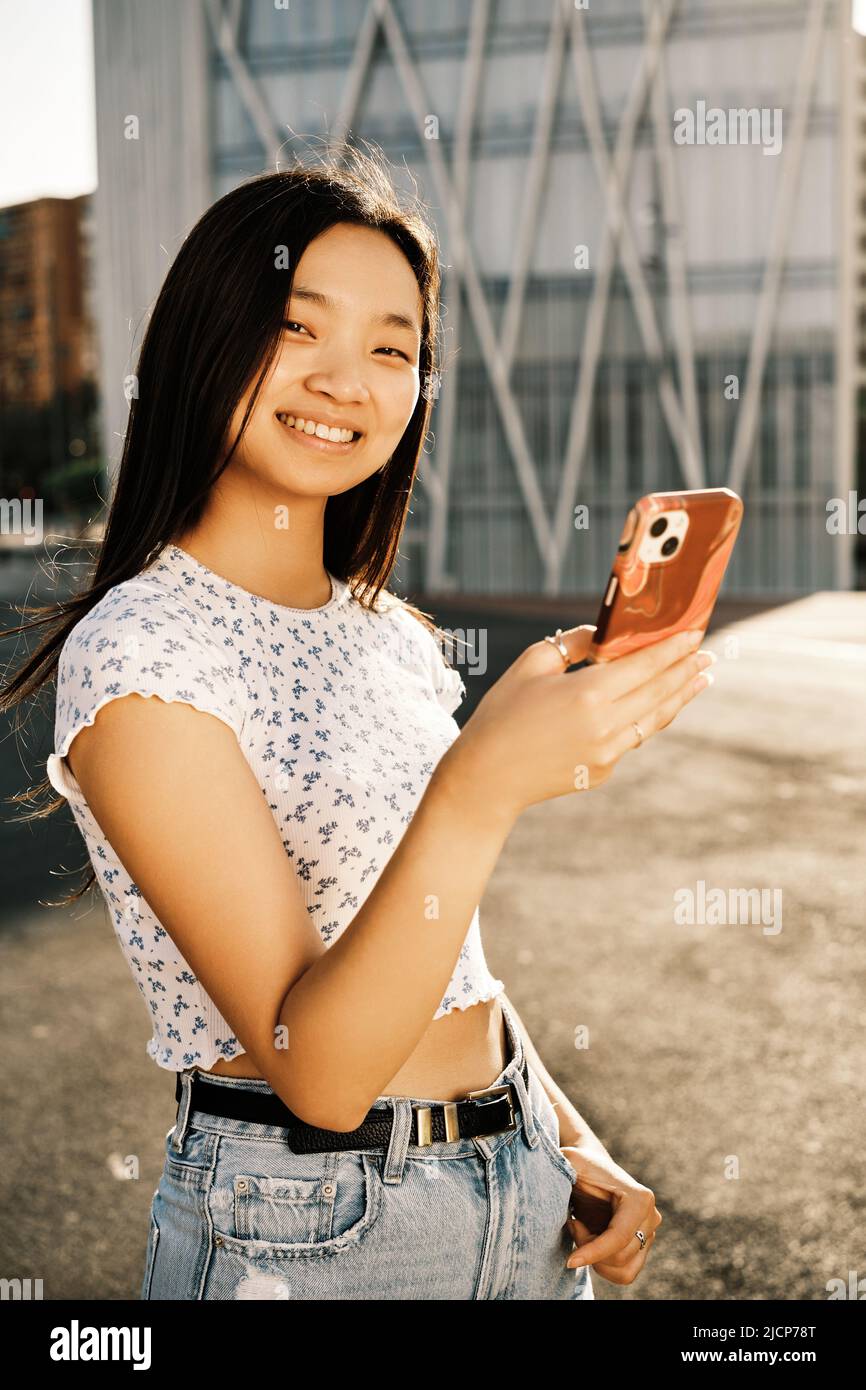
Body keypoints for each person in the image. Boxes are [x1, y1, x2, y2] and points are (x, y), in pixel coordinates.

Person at [1, 146, 713, 1300]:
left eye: (393, 348)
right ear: (205, 342)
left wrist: (567, 1133)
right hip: (314, 1230)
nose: (349, 379)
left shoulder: (390, 635)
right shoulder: (140, 653)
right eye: (299, 327)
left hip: (519, 1185)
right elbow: (316, 1072)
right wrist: (482, 781)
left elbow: (443, 957)